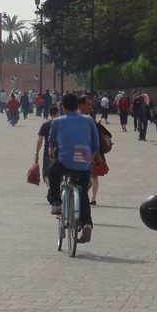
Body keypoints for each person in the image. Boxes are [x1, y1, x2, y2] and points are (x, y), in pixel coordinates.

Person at [47, 93, 100, 243]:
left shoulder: (57, 121)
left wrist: (51, 151)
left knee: (53, 171)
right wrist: (92, 157)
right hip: (83, 163)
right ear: (78, 107)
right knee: (83, 195)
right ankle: (87, 224)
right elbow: (95, 143)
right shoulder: (88, 120)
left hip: (65, 163)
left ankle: (56, 202)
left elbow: (51, 140)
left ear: (62, 108)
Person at [36, 104, 59, 190]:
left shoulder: (45, 125)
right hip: (60, 151)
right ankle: (55, 188)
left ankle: (50, 187)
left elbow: (40, 140)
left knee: (46, 172)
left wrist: (37, 153)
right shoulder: (61, 124)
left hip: (47, 151)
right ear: (57, 113)